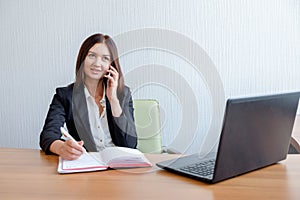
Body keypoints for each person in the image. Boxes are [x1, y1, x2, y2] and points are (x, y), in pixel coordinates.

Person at [40, 33, 137, 160]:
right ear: (82, 59)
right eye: (92, 56)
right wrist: (62, 148)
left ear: (111, 65)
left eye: (105, 58)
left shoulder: (122, 94)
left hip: (120, 166)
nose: (97, 63)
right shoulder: (65, 96)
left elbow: (130, 144)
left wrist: (113, 99)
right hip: (87, 165)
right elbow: (48, 135)